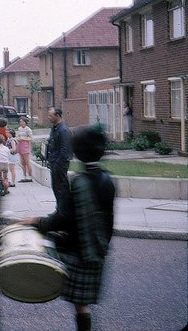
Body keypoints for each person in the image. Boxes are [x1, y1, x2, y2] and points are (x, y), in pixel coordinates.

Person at [20, 125, 115, 331]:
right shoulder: (108, 180)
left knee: (77, 301)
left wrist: (37, 222)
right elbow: (109, 221)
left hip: (77, 250)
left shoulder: (77, 182)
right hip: (97, 249)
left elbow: (62, 218)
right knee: (82, 304)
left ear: (77, 152)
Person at [46, 107, 73, 210]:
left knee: (61, 188)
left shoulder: (63, 130)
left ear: (57, 116)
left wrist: (57, 164)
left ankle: (64, 210)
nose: (49, 117)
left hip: (60, 164)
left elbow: (65, 149)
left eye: (50, 115)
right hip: (54, 163)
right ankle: (60, 209)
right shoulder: (55, 128)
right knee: (56, 187)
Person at [16, 117, 33, 182]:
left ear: (25, 122)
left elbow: (31, 138)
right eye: (20, 122)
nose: (21, 123)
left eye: (23, 121)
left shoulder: (28, 129)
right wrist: (17, 138)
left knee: (27, 162)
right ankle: (24, 176)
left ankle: (30, 176)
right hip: (20, 145)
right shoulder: (19, 129)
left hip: (25, 145)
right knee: (22, 162)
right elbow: (18, 135)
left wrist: (23, 139)